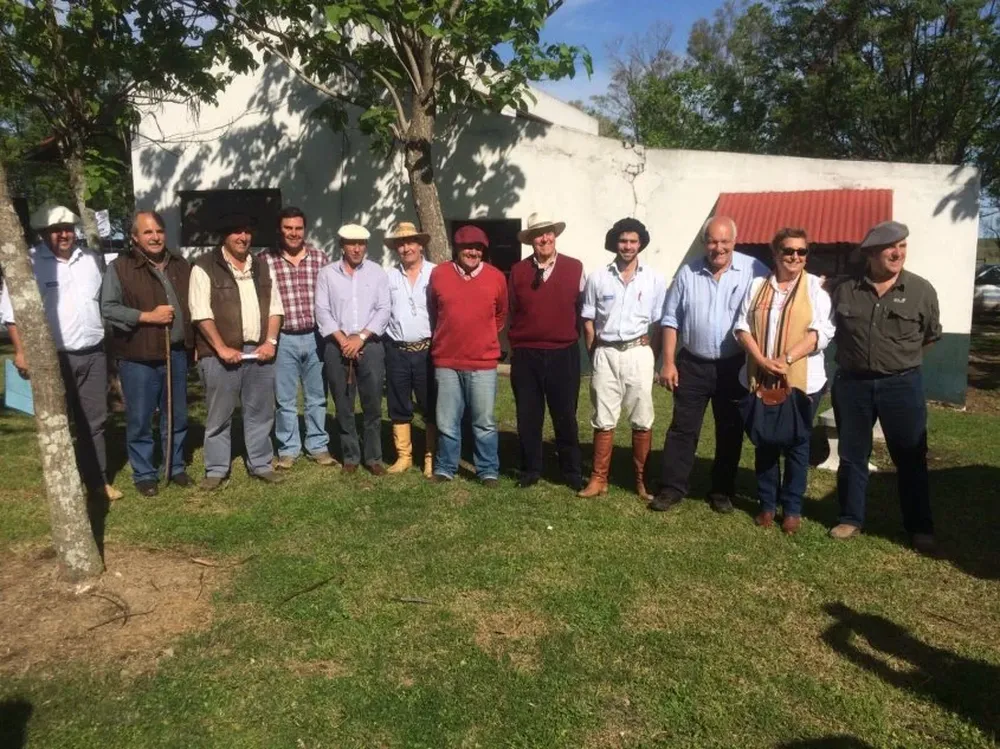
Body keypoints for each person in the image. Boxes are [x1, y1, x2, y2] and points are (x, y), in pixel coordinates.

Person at [829, 220, 941, 553]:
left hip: (901, 385)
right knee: (852, 455)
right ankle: (850, 518)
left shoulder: (922, 290)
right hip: (852, 385)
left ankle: (920, 526)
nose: (898, 253)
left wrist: (899, 361)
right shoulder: (844, 289)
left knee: (910, 456)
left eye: (902, 246)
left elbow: (931, 336)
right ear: (871, 253)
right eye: (890, 247)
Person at [0, 204, 122, 500]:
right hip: (53, 358)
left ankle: (97, 481)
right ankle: (65, 485)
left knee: (95, 420)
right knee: (58, 423)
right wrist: (21, 352)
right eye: (57, 230)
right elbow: (12, 314)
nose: (64, 234)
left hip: (94, 353)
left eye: (68, 228)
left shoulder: (91, 260)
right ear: (44, 233)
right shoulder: (28, 264)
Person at [650, 216, 769, 513]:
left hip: (734, 364)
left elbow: (777, 293)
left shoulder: (754, 270)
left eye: (724, 242)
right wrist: (667, 362)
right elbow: (670, 319)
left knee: (729, 429)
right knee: (682, 429)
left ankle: (722, 490)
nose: (718, 248)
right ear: (705, 243)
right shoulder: (688, 273)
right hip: (692, 363)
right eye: (713, 241)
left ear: (734, 242)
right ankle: (672, 488)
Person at [734, 228, 835, 534]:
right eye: (788, 251)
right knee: (764, 441)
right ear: (775, 254)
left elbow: (821, 333)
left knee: (797, 443)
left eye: (801, 252)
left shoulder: (816, 290)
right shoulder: (756, 286)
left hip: (803, 381)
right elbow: (741, 327)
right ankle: (766, 504)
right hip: (760, 376)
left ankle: (791, 508)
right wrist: (762, 360)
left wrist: (786, 360)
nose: (795, 257)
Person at [189, 212, 285, 489]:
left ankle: (261, 463)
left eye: (247, 232)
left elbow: (276, 309)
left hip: (259, 351)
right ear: (225, 236)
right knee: (219, 414)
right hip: (221, 354)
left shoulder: (262, 266)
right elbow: (200, 312)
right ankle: (216, 469)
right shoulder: (204, 266)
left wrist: (271, 342)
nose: (243, 237)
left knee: (261, 411)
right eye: (236, 232)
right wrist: (220, 348)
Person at [100, 210, 193, 496]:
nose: (155, 237)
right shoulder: (121, 267)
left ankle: (174, 466)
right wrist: (147, 317)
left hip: (175, 353)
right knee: (140, 418)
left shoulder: (180, 264)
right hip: (137, 357)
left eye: (159, 231)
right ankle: (144, 473)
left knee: (175, 414)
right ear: (134, 238)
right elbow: (108, 308)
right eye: (147, 232)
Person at [578, 217, 666, 500]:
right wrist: (595, 353)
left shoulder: (653, 279)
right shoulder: (598, 277)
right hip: (605, 352)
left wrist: (650, 353)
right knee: (603, 415)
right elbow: (588, 321)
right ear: (615, 243)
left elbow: (659, 322)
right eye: (623, 241)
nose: (627, 246)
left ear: (640, 244)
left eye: (633, 241)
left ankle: (642, 480)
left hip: (639, 351)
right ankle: (598, 478)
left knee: (642, 416)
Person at [508, 214, 585, 490]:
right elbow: (513, 311)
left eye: (548, 232)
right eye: (538, 234)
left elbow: (581, 311)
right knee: (528, 415)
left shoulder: (575, 268)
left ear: (555, 235)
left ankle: (571, 471)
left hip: (563, 353)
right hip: (527, 354)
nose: (544, 238)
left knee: (565, 414)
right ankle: (531, 469)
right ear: (530, 240)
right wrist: (516, 347)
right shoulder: (517, 272)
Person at [428, 225, 508, 486]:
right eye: (467, 247)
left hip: (482, 361)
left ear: (483, 251)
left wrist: (482, 335)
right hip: (447, 360)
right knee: (447, 421)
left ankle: (487, 469)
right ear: (457, 249)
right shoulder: (439, 274)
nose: (472, 252)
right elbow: (434, 310)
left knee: (483, 421)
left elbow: (501, 315)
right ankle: (446, 467)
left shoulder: (496, 277)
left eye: (477, 248)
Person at [261, 206, 335, 470]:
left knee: (317, 395)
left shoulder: (319, 258)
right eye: (288, 228)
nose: (293, 233)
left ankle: (317, 445)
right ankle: (289, 448)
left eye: (298, 228)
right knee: (285, 398)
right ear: (280, 230)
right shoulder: (265, 259)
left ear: (305, 230)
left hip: (316, 337)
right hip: (283, 339)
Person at [315, 223, 390, 474]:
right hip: (337, 346)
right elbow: (322, 311)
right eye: (351, 243)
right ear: (342, 246)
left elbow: (383, 309)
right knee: (344, 404)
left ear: (366, 246)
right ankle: (350, 456)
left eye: (361, 244)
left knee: (372, 404)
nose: (356, 249)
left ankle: (373, 457)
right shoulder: (327, 273)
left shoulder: (377, 272)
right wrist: (343, 340)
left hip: (370, 345)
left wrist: (361, 337)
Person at [383, 221, 437, 477]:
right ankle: (404, 456)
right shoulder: (388, 276)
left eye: (410, 242)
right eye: (401, 244)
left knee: (430, 404)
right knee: (398, 403)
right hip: (397, 350)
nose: (406, 248)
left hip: (427, 350)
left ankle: (430, 457)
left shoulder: (436, 273)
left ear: (420, 245)